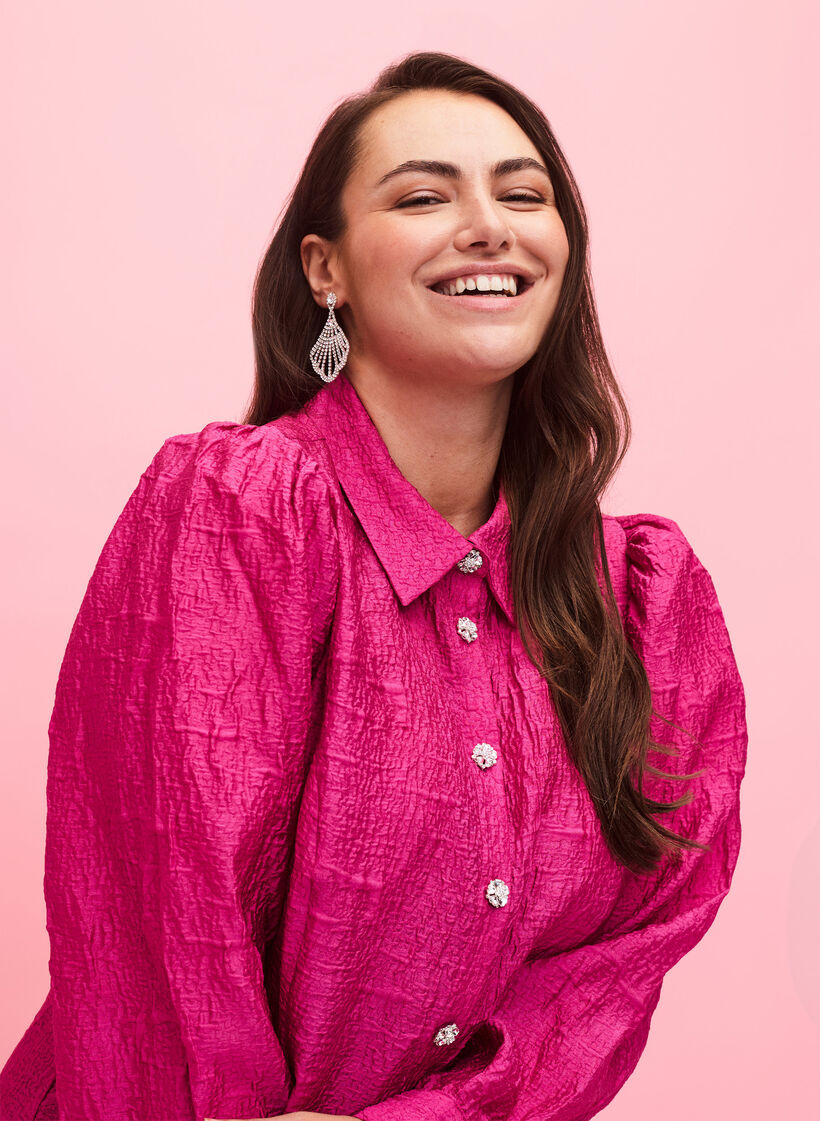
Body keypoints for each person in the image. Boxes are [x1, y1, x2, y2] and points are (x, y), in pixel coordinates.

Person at [0, 50, 748, 1121]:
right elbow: (163, 913)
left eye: (523, 194)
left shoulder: (645, 599)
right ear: (325, 269)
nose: (489, 224)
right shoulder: (234, 506)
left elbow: (626, 954)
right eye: (423, 195)